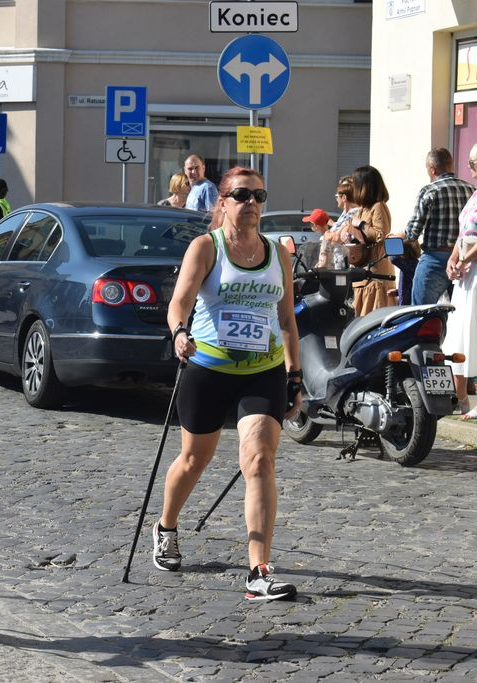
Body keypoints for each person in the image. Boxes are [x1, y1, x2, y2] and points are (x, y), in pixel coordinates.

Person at [157, 166, 301, 602]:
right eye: (241, 195)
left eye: (259, 195)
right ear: (222, 202)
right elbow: (179, 302)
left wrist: (295, 375)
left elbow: (287, 320)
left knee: (259, 460)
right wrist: (180, 333)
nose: (252, 203)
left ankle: (258, 570)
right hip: (208, 368)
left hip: (263, 370)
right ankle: (166, 527)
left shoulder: (279, 254)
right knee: (193, 460)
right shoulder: (207, 247)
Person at [394, 148, 476, 305]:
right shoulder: (471, 189)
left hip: (435, 259)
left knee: (420, 312)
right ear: (451, 165)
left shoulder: (428, 191)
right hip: (464, 259)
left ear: (432, 169)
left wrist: (400, 235)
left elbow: (413, 232)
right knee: (458, 313)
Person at [334, 166, 395, 316]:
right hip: (363, 271)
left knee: (373, 317)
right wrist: (348, 233)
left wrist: (360, 224)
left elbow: (381, 235)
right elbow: (356, 229)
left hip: (376, 274)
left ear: (365, 185)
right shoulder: (363, 209)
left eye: (356, 183)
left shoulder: (378, 207)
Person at [444, 143, 477, 419]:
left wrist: (465, 258)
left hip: (474, 271)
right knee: (460, 334)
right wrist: (453, 259)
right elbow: (461, 233)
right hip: (466, 275)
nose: (471, 169)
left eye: (474, 163)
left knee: (473, 332)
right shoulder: (473, 196)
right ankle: (461, 397)